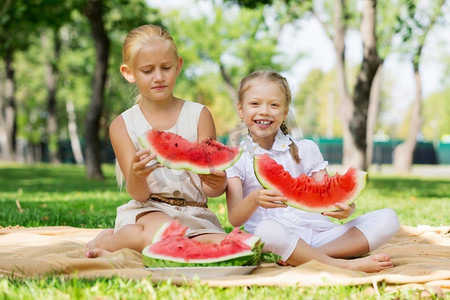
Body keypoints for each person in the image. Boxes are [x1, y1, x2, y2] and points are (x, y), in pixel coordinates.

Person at [225, 70, 400, 272]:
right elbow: (235, 219)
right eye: (255, 104)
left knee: (388, 218)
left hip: (322, 235)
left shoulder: (306, 149)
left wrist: (347, 209)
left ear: (284, 112)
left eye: (274, 105)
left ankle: (308, 257)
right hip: (279, 238)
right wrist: (254, 199)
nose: (264, 111)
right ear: (241, 110)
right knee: (266, 231)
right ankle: (341, 263)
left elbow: (326, 196)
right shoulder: (236, 158)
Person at [86, 24, 228, 257]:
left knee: (225, 246)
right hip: (149, 211)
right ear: (129, 73)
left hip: (195, 215)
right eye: (147, 70)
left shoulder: (200, 115)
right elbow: (138, 194)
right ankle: (109, 242)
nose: (159, 77)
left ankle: (131, 238)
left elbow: (211, 190)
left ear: (178, 66)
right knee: (165, 234)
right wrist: (138, 174)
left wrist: (216, 181)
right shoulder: (122, 125)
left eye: (166, 67)